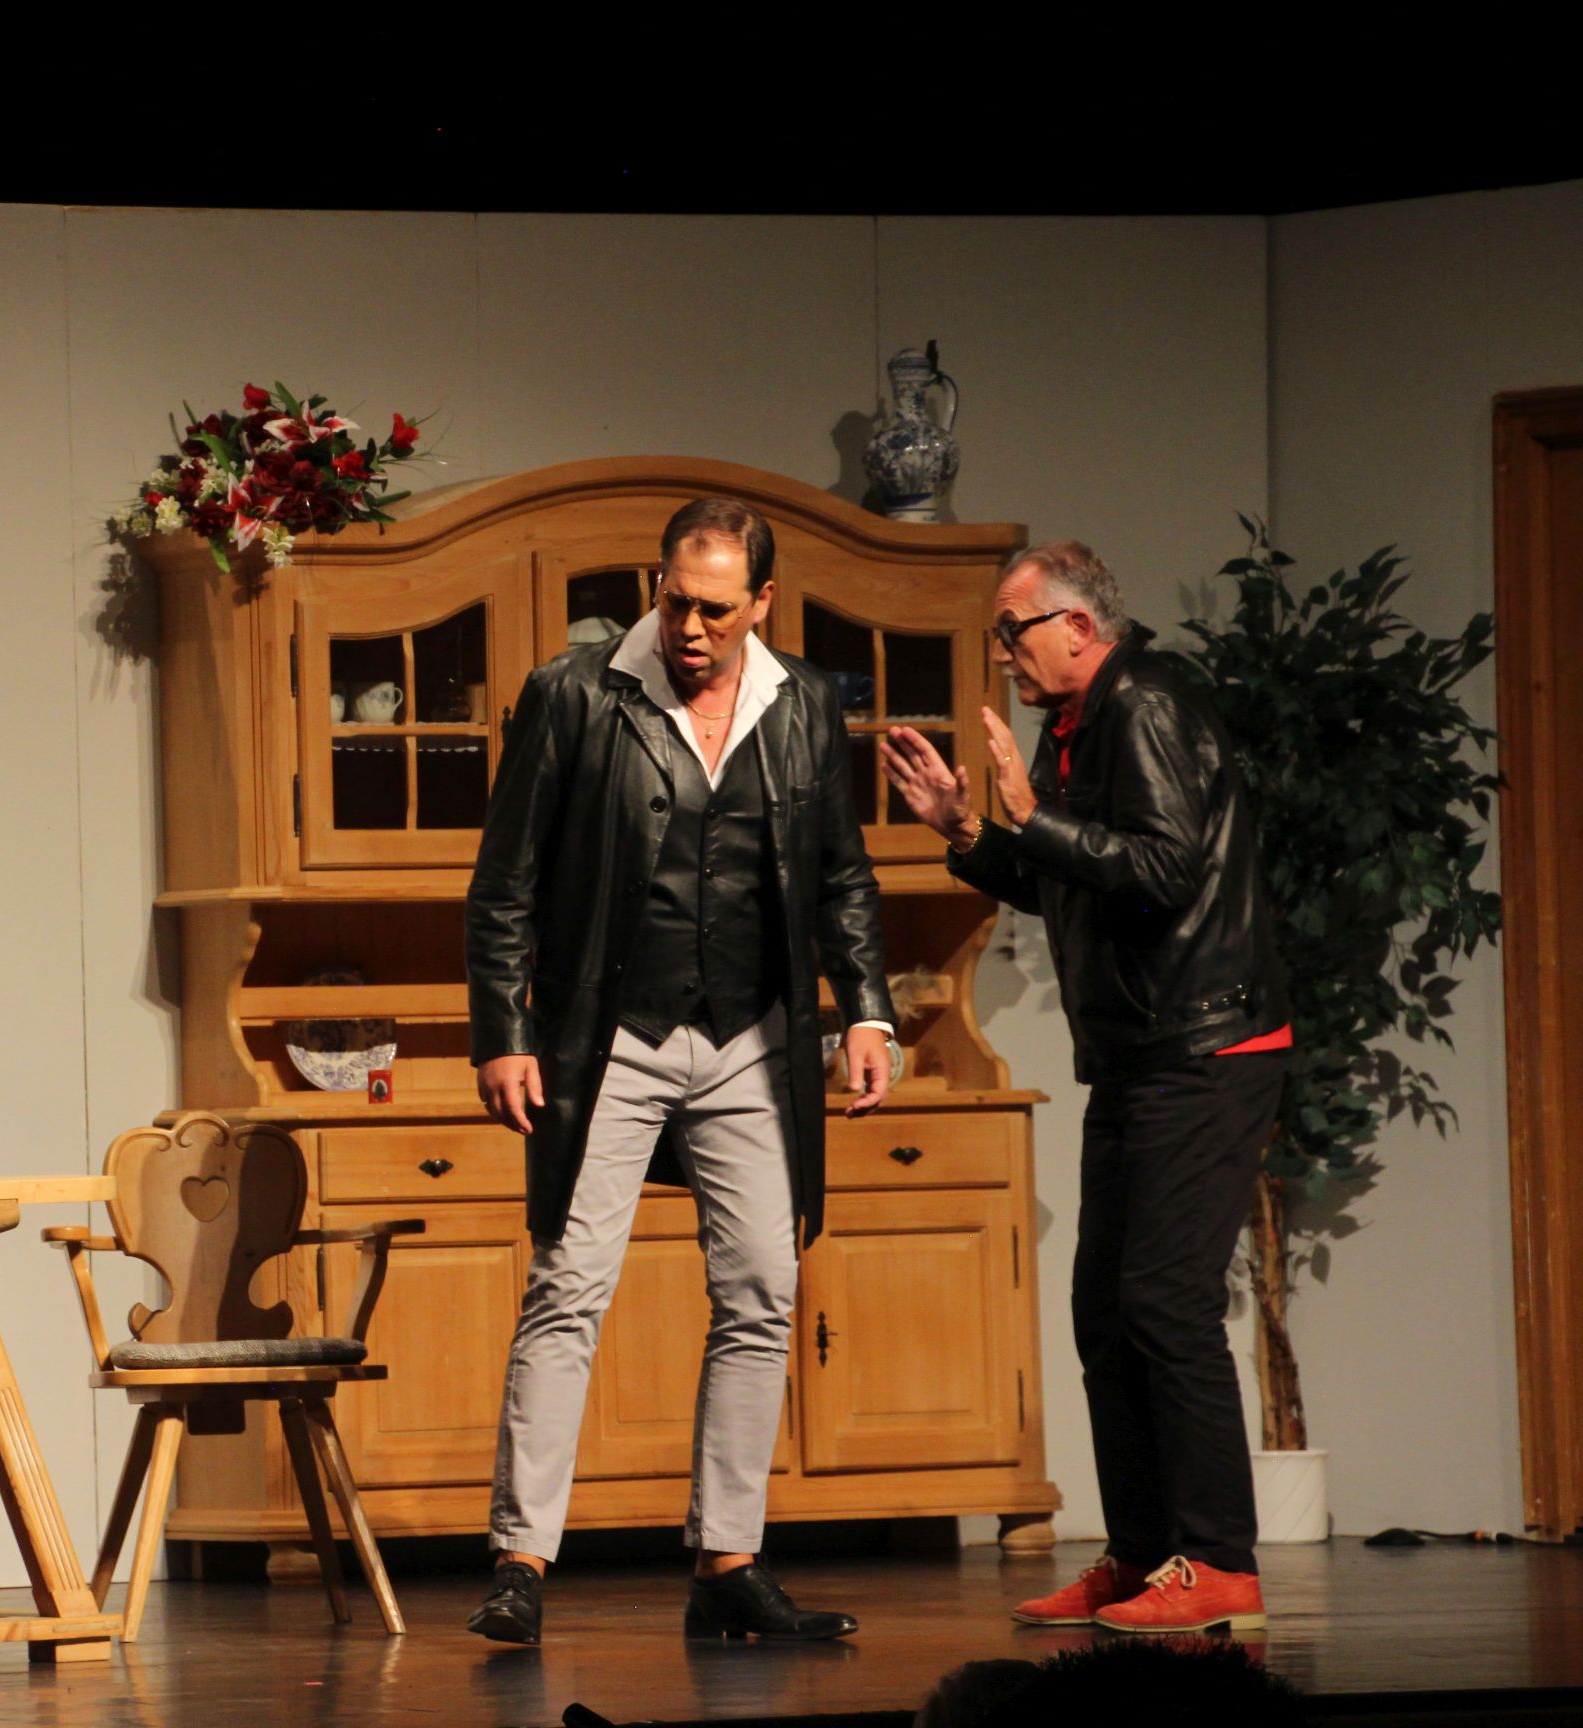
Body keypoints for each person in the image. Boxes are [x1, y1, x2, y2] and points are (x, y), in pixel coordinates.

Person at [462, 496, 896, 1645]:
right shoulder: (577, 694)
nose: (690, 628)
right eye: (674, 602)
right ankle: (520, 1562)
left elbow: (842, 876)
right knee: (569, 1286)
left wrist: (868, 1012)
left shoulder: (804, 704)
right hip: (613, 1034)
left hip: (751, 1037)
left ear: (762, 602)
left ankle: (728, 1561)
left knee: (762, 1289)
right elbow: (505, 881)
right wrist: (504, 1030)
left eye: (715, 609)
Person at [881, 541, 1292, 1636]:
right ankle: (1146, 1554)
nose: (1001, 652)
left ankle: (1221, 1563)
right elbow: (1075, 878)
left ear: (1076, 625)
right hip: (1141, 1052)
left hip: (1207, 1047)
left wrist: (1032, 815)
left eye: (1010, 630)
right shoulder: (1077, 721)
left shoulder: (1144, 706)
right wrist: (971, 831)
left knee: (1165, 1303)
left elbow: (1162, 873)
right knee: (1105, 1310)